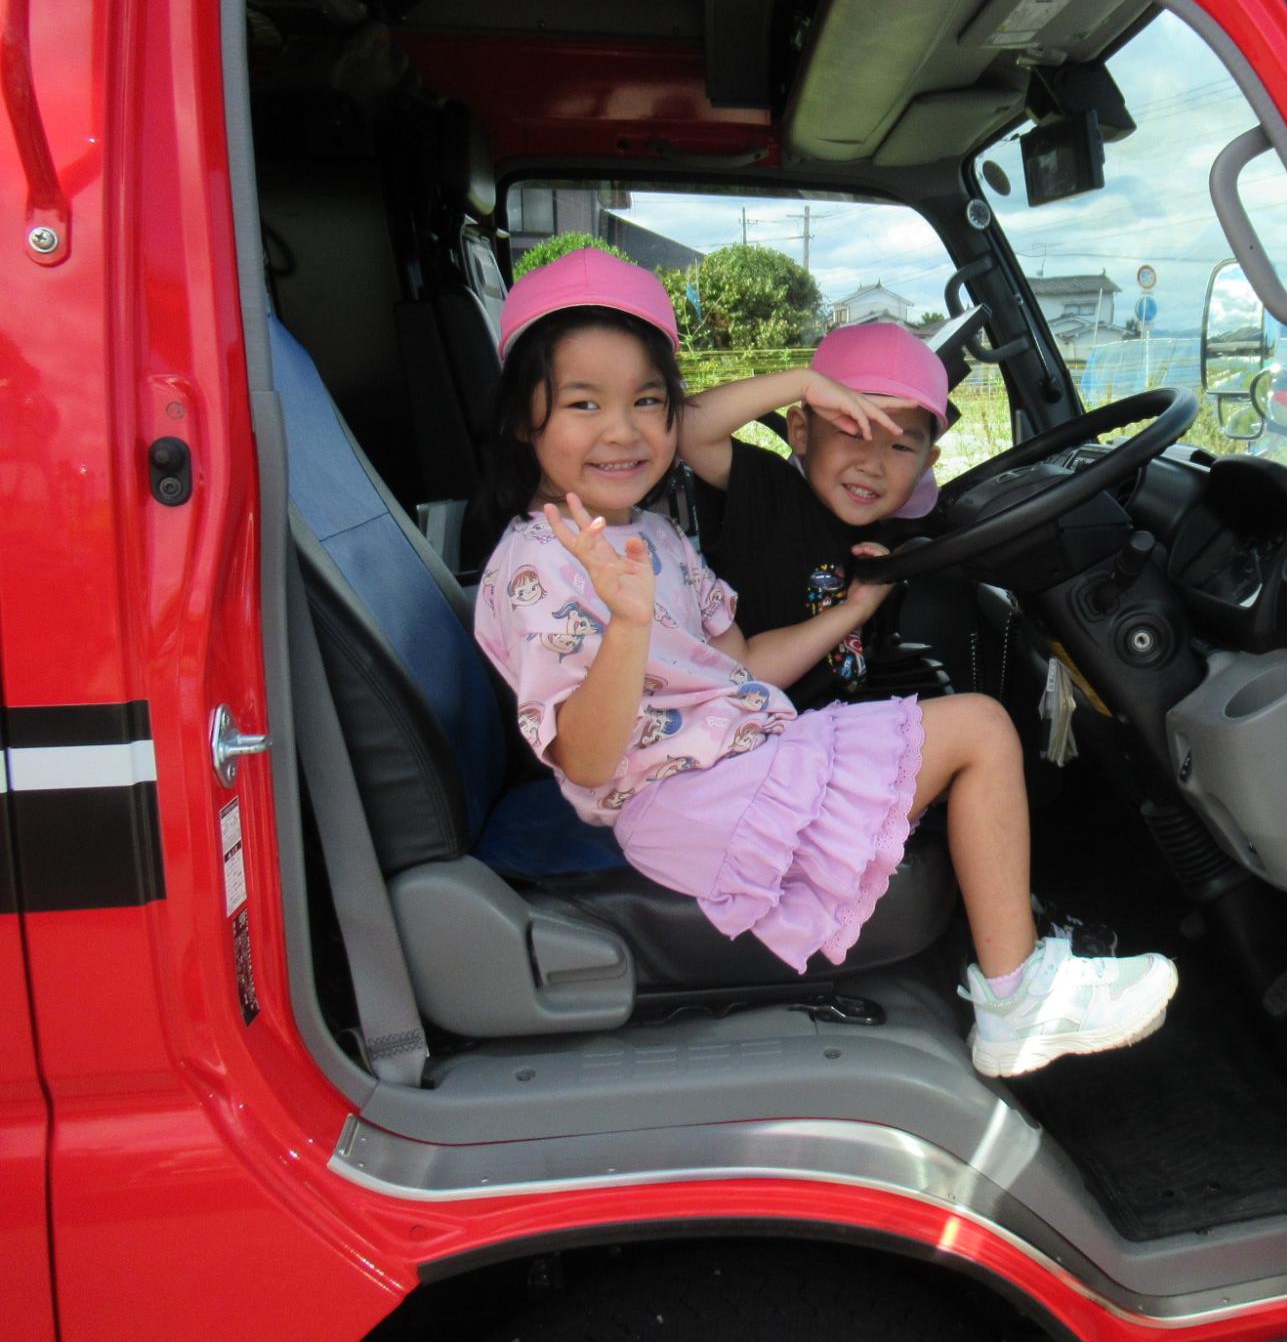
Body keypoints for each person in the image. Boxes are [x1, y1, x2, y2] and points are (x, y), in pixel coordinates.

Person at [470, 248, 1176, 1076]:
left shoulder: (649, 535)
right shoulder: (536, 568)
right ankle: (1016, 1000)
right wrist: (627, 624)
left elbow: (744, 665)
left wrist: (854, 611)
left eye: (648, 401)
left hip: (733, 766)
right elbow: (587, 762)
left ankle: (1015, 958)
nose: (624, 430)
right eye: (585, 403)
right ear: (525, 417)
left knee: (962, 734)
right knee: (981, 729)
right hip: (685, 805)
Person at [676, 320, 950, 709]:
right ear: (801, 433)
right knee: (985, 722)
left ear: (927, 464)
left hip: (840, 715)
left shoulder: (886, 530)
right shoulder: (770, 493)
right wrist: (802, 383)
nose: (872, 465)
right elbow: (683, 429)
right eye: (853, 432)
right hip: (759, 727)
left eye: (902, 448)